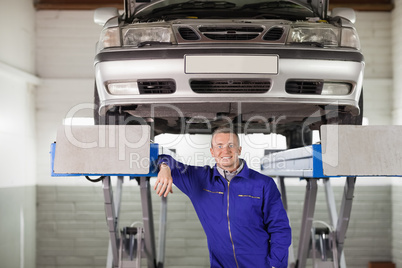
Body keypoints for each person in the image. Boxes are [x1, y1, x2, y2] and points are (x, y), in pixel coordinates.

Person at [154, 126, 291, 268]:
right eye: (219, 146)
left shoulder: (263, 184)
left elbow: (280, 228)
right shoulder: (199, 180)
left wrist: (275, 264)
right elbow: (163, 157)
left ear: (239, 149)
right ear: (212, 152)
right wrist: (164, 167)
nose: (225, 151)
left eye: (231, 145)